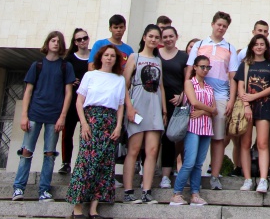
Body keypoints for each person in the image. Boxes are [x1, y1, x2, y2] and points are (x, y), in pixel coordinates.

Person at [12, 30, 76, 202]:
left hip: (54, 116)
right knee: (26, 151)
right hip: (35, 113)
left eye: (58, 41)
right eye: (52, 40)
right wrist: (24, 115)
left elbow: (68, 93)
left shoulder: (65, 66)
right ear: (47, 43)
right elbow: (28, 91)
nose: (55, 43)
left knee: (49, 154)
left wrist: (62, 116)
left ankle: (44, 189)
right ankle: (18, 188)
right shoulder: (37, 65)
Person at [67, 44, 126, 219]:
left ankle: (94, 208)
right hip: (91, 119)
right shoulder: (90, 75)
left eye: (113, 56)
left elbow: (121, 105)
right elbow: (79, 102)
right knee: (85, 163)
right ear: (100, 57)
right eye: (106, 55)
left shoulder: (119, 79)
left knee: (105, 165)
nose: (109, 58)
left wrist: (118, 126)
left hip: (110, 121)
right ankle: (77, 207)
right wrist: (84, 124)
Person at [187, 11, 239, 191]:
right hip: (198, 94)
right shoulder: (200, 45)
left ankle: (214, 176)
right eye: (219, 24)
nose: (221, 28)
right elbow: (189, 70)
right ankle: (191, 174)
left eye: (225, 26)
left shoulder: (231, 48)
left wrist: (232, 99)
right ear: (212, 24)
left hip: (220, 96)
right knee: (195, 136)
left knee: (218, 138)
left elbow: (232, 76)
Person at [122, 24, 166, 205]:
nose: (154, 40)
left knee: (152, 150)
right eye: (151, 36)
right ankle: (128, 191)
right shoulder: (135, 57)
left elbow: (161, 86)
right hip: (138, 105)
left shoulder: (158, 60)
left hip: (155, 105)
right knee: (133, 149)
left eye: (157, 37)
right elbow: (124, 85)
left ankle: (147, 191)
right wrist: (129, 108)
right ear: (144, 37)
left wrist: (164, 110)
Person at [237, 34, 270, 193]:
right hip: (247, 107)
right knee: (245, 143)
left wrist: (254, 96)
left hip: (264, 106)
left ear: (266, 47)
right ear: (251, 47)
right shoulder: (245, 65)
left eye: (262, 44)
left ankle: (263, 179)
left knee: (263, 143)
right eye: (256, 44)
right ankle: (248, 179)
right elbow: (240, 87)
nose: (259, 47)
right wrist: (246, 104)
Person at [170, 54, 217, 207]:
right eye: (202, 66)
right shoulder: (190, 83)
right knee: (189, 161)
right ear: (195, 67)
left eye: (207, 67)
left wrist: (204, 111)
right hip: (192, 126)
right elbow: (194, 102)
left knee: (198, 163)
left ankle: (195, 193)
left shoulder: (209, 87)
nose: (205, 70)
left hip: (206, 126)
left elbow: (214, 111)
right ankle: (177, 193)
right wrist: (209, 110)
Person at [158, 25, 187, 189]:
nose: (168, 39)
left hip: (176, 103)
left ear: (176, 37)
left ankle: (166, 175)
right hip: (156, 101)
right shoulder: (156, 55)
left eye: (171, 36)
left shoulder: (183, 56)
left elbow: (188, 79)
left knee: (170, 139)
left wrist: (182, 95)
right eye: (165, 36)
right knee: (154, 138)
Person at [60, 28, 91, 176]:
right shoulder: (69, 60)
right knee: (68, 133)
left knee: (86, 133)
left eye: (84, 38)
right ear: (75, 42)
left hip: (89, 101)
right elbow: (61, 78)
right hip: (72, 100)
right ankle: (66, 162)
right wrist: (70, 82)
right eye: (79, 39)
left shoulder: (94, 58)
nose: (82, 41)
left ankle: (84, 162)